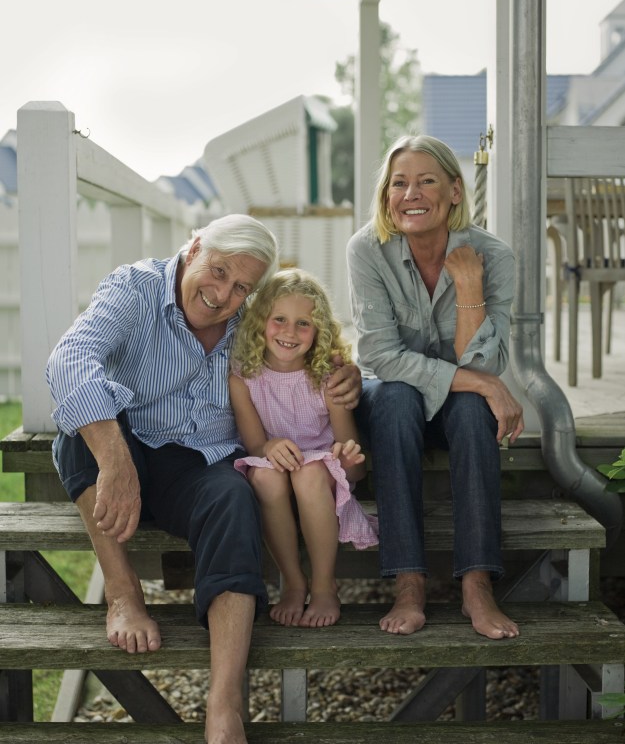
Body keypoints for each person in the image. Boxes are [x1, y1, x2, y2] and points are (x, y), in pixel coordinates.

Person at [46, 214, 361, 744]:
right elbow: (70, 359)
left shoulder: (253, 319)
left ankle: (225, 704)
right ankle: (123, 594)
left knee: (234, 497)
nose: (222, 294)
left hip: (201, 461)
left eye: (241, 287)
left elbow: (304, 346)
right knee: (79, 432)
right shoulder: (136, 287)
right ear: (193, 249)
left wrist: (352, 375)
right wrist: (117, 461)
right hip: (130, 445)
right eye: (217, 272)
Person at [347, 135, 524, 641]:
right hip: (393, 409)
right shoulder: (367, 250)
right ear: (386, 196)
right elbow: (380, 356)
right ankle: (408, 581)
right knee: (401, 395)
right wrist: (485, 386)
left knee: (470, 407)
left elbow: (485, 362)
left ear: (452, 191)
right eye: (399, 183)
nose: (411, 193)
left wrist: (469, 289)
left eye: (426, 181)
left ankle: (477, 583)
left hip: (458, 412)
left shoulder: (494, 256)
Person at [229, 269, 378, 629]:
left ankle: (325, 585)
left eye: (303, 324)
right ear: (261, 321)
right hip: (275, 470)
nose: (289, 333)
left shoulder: (329, 379)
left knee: (310, 474)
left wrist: (348, 461)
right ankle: (294, 582)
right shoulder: (242, 378)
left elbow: (354, 469)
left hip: (322, 477)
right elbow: (254, 445)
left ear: (319, 331)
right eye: (279, 319)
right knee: (263, 476)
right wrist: (271, 444)